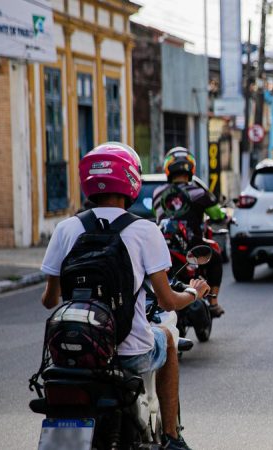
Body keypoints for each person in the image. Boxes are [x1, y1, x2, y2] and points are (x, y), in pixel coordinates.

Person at [40, 142, 208, 450]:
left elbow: (50, 301)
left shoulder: (65, 229)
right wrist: (193, 294)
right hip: (130, 353)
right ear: (131, 180)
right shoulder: (144, 231)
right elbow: (168, 301)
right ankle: (172, 437)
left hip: (71, 354)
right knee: (168, 340)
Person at [153, 147, 227, 317]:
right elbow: (216, 213)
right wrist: (224, 216)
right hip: (192, 247)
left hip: (164, 248)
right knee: (215, 257)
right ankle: (213, 302)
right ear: (190, 169)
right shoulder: (199, 192)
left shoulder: (158, 193)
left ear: (168, 169)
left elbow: (155, 215)